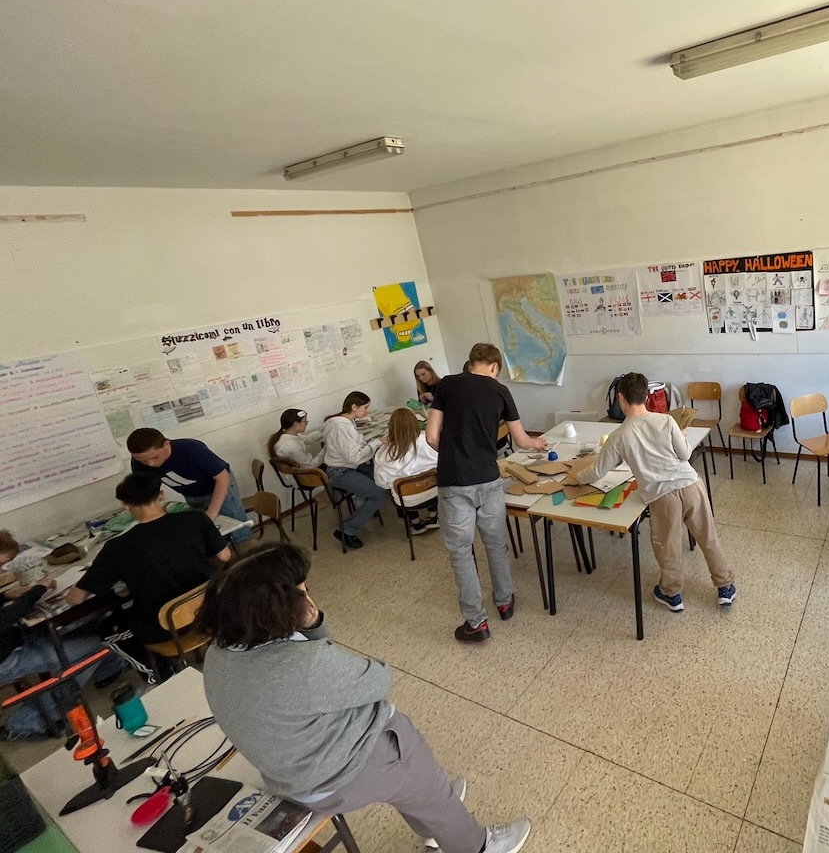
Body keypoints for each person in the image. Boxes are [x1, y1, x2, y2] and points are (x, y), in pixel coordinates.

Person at [198, 544, 532, 853]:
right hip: (345, 776)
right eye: (303, 591)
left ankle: (431, 813)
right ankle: (477, 844)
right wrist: (315, 627)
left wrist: (309, 628)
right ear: (278, 608)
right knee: (400, 735)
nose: (308, 595)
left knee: (415, 776)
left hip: (294, 781)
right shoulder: (304, 665)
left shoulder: (217, 655)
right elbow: (378, 679)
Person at [569, 372, 737, 613]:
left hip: (662, 496)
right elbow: (685, 455)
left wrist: (575, 478)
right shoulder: (666, 421)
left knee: (668, 546)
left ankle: (672, 593)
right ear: (647, 396)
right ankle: (725, 587)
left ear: (620, 398)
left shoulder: (618, 436)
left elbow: (597, 471)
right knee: (708, 537)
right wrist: (683, 437)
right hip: (691, 485)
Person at [425, 343, 547, 643]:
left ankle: (476, 623)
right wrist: (538, 443)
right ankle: (504, 602)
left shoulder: (447, 384)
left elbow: (431, 436)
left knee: (461, 552)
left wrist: (452, 455)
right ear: (494, 367)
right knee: (495, 543)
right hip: (489, 478)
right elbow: (522, 441)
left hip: (454, 481)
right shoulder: (500, 391)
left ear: (470, 364)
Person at [65, 474, 232, 660]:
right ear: (161, 495)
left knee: (109, 628)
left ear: (126, 505)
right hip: (212, 611)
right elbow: (225, 556)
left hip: (165, 627)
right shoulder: (196, 519)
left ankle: (159, 670)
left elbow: (75, 599)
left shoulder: (118, 547)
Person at [0, 531, 120, 740]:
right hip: (5, 659)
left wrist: (5, 594)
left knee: (88, 628)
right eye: (1, 563)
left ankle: (106, 672)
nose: (2, 570)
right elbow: (4, 619)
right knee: (99, 645)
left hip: (15, 640)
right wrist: (37, 589)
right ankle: (26, 722)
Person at [127, 428, 251, 543]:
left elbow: (222, 478)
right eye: (143, 460)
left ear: (167, 444)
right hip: (191, 493)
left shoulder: (191, 449)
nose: (150, 464)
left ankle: (244, 546)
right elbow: (145, 491)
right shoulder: (139, 463)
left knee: (234, 524)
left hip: (219, 486)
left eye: (155, 457)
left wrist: (211, 514)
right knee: (206, 530)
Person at [321, 391, 387, 550]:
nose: (367, 411)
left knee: (383, 474)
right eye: (365, 407)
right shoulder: (340, 427)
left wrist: (371, 442)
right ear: (354, 407)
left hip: (349, 466)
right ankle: (346, 529)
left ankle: (396, 510)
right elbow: (354, 457)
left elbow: (355, 445)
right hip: (340, 471)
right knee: (379, 494)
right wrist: (377, 442)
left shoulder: (346, 422)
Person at [374, 407, 439, 533]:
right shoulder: (427, 441)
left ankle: (416, 524)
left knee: (397, 486)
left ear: (391, 427)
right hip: (433, 493)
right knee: (430, 477)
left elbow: (381, 483)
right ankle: (433, 517)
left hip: (406, 500)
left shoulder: (384, 454)